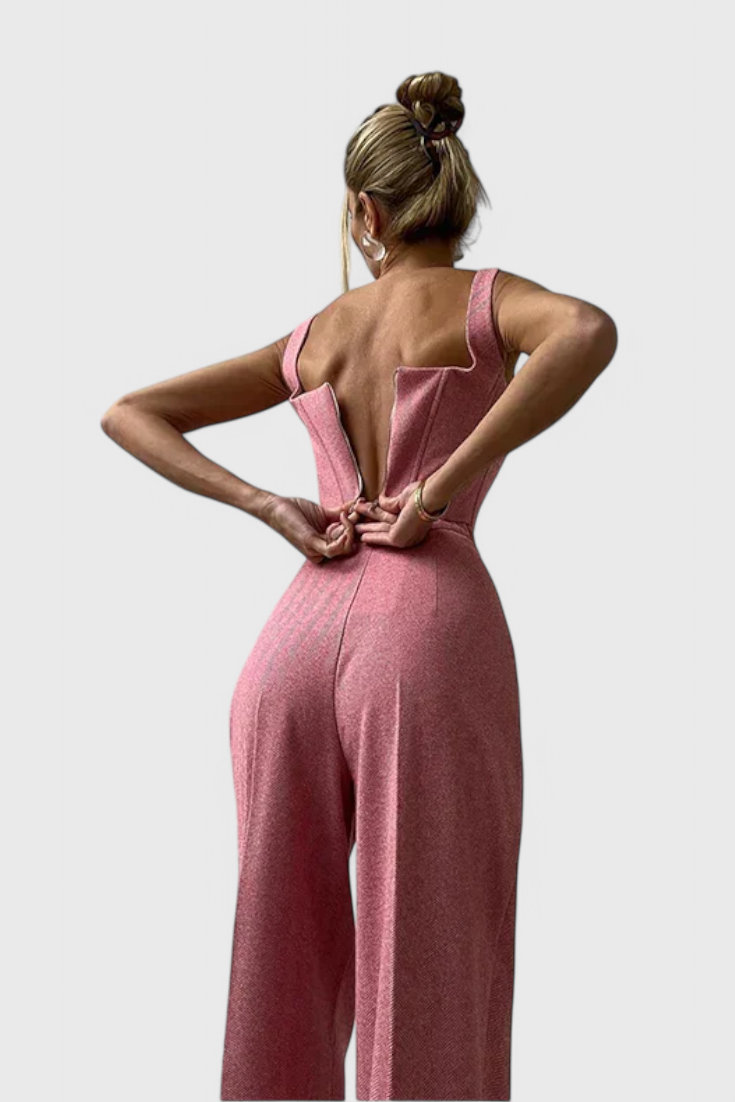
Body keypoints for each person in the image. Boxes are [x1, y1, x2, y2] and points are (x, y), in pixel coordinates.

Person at [101, 71, 617, 1102]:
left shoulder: (315, 334)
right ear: (453, 198)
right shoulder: (485, 302)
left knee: (277, 941)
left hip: (293, 639)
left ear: (366, 213)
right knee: (429, 938)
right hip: (423, 629)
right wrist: (437, 486)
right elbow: (587, 330)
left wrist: (269, 505)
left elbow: (129, 411)